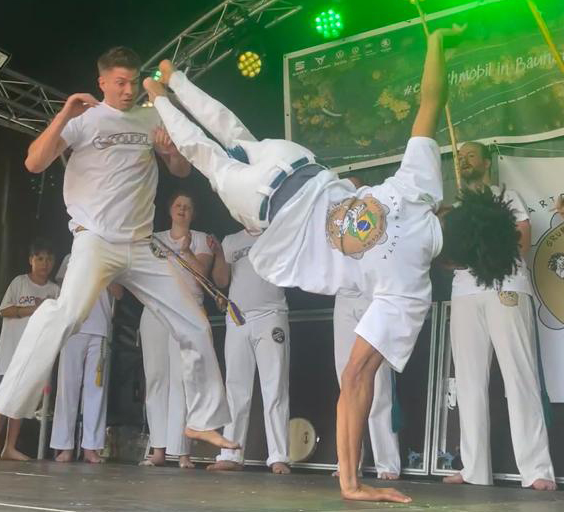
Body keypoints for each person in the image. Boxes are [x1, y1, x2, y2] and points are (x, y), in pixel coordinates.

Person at [144, 26, 521, 502]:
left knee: (232, 130)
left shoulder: (422, 189)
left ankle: (174, 78)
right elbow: (356, 379)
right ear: (456, 265)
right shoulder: (411, 294)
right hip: (265, 206)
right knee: (208, 156)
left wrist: (437, 41)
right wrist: (349, 481)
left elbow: (430, 101)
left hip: (298, 163)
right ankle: (159, 95)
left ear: (455, 212)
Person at [0, 46, 236, 457]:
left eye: (133, 81)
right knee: (64, 315)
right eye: (120, 83)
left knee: (195, 323)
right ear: (103, 82)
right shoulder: (84, 121)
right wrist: (65, 113)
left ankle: (200, 421)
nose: (129, 90)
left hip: (142, 245)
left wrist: (168, 152)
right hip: (95, 241)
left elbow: (181, 170)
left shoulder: (152, 116)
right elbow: (35, 162)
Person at [442, 141, 556, 491]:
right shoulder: (456, 207)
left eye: (470, 155)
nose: (463, 161)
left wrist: (492, 248)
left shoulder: (507, 196)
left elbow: (522, 239)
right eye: (459, 158)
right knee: (469, 380)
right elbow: (447, 258)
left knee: (518, 376)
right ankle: (474, 467)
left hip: (505, 286)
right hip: (464, 291)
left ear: (487, 162)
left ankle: (536, 470)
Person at [205, 229, 291, 475]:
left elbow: (287, 272)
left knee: (274, 387)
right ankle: (231, 453)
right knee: (235, 388)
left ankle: (278, 456)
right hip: (237, 318)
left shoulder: (278, 233)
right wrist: (220, 254)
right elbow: (222, 281)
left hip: (271, 315)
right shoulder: (231, 240)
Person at [139, 191, 213, 469]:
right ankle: (158, 448)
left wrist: (187, 250)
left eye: (188, 206)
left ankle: (182, 452)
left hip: (186, 310)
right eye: (178, 205)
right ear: (170, 210)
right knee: (156, 378)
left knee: (183, 381)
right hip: (156, 311)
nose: (182, 210)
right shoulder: (153, 239)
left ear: (193, 214)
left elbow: (203, 276)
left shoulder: (202, 238)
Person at [51, 253, 123, 464]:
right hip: (74, 328)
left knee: (96, 390)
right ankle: (64, 447)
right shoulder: (71, 257)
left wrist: (105, 274)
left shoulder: (112, 258)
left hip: (100, 330)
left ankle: (91, 448)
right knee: (68, 388)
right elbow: (63, 290)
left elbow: (119, 294)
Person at [0, 237, 60, 461]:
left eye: (49, 259)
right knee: (1, 399)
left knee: (19, 402)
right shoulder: (19, 282)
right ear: (31, 260)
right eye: (39, 258)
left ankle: (9, 447)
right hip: (10, 351)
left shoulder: (54, 290)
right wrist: (33, 309)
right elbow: (4, 310)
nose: (44, 264)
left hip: (35, 355)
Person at [333, 289, 400, 480]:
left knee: (380, 383)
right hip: (344, 295)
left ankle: (387, 462)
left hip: (375, 294)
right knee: (346, 381)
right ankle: (349, 463)